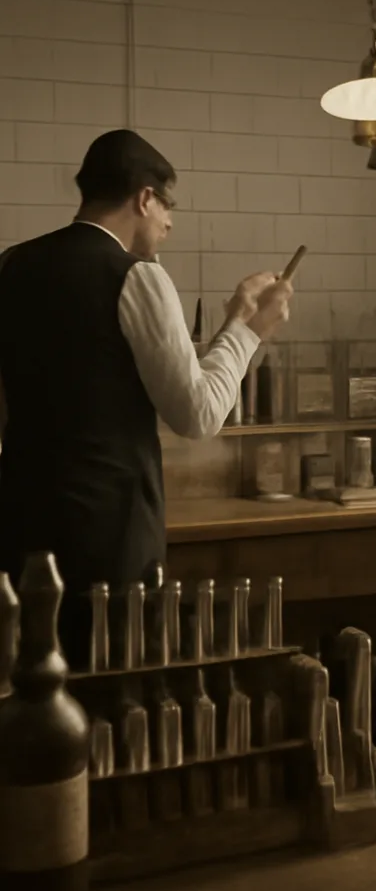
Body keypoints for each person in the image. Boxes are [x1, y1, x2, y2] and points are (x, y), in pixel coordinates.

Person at [0, 129, 292, 666]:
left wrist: (234, 318)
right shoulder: (138, 277)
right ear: (144, 198)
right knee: (111, 704)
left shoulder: (11, 265)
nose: (170, 222)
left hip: (18, 533)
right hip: (110, 546)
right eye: (168, 205)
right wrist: (252, 332)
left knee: (30, 702)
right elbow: (198, 413)